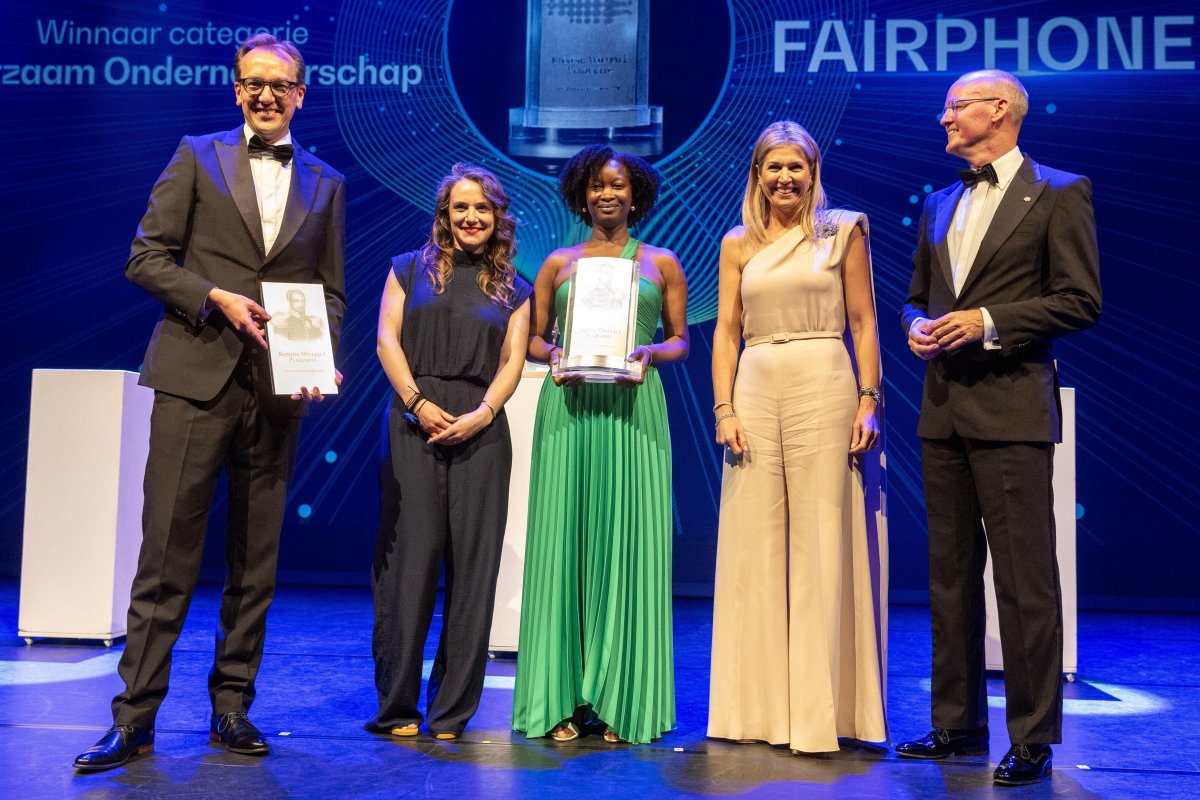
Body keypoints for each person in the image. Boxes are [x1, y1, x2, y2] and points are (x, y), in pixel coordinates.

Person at [73, 34, 346, 772]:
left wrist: (317, 360)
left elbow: (331, 296)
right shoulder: (197, 154)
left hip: (275, 393)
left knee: (256, 561)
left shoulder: (325, 181)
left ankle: (232, 708)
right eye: (252, 82)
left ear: (300, 93)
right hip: (194, 379)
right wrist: (213, 297)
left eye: (278, 84)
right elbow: (145, 257)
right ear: (236, 90)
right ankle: (134, 719)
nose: (264, 94)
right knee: (165, 555)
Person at [896, 70, 1101, 786]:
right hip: (944, 408)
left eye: (956, 108)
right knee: (948, 577)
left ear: (1000, 113)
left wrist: (986, 323)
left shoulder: (1058, 192)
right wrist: (918, 326)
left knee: (1024, 581)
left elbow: (1080, 301)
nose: (943, 120)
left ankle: (1033, 735)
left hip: (1012, 407)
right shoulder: (940, 203)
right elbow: (917, 297)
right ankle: (955, 724)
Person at [706, 121, 888, 754]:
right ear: (757, 174)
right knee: (753, 544)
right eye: (773, 167)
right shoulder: (737, 243)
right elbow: (726, 331)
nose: (785, 178)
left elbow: (864, 324)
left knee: (820, 537)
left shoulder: (843, 232)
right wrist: (724, 405)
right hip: (755, 380)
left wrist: (869, 400)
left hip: (823, 377)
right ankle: (755, 712)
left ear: (814, 173)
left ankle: (819, 714)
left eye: (797, 167)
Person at [511, 145, 688, 745]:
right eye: (595, 186)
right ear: (580, 194)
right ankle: (561, 697)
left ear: (635, 193)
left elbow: (679, 341)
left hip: (634, 411)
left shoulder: (662, 262)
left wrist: (650, 354)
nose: (606, 194)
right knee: (567, 546)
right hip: (570, 411)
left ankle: (620, 699)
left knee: (626, 546)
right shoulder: (557, 262)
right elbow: (535, 340)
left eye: (617, 185)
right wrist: (554, 354)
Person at [367, 164, 531, 740]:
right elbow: (387, 338)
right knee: (409, 565)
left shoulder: (515, 285)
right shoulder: (406, 270)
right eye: (461, 208)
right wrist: (416, 401)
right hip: (415, 419)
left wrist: (484, 412)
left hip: (481, 428)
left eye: (482, 209)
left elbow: (513, 360)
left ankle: (451, 710)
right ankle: (398, 707)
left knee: (473, 570)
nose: (471, 218)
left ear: (497, 217)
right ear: (445, 214)